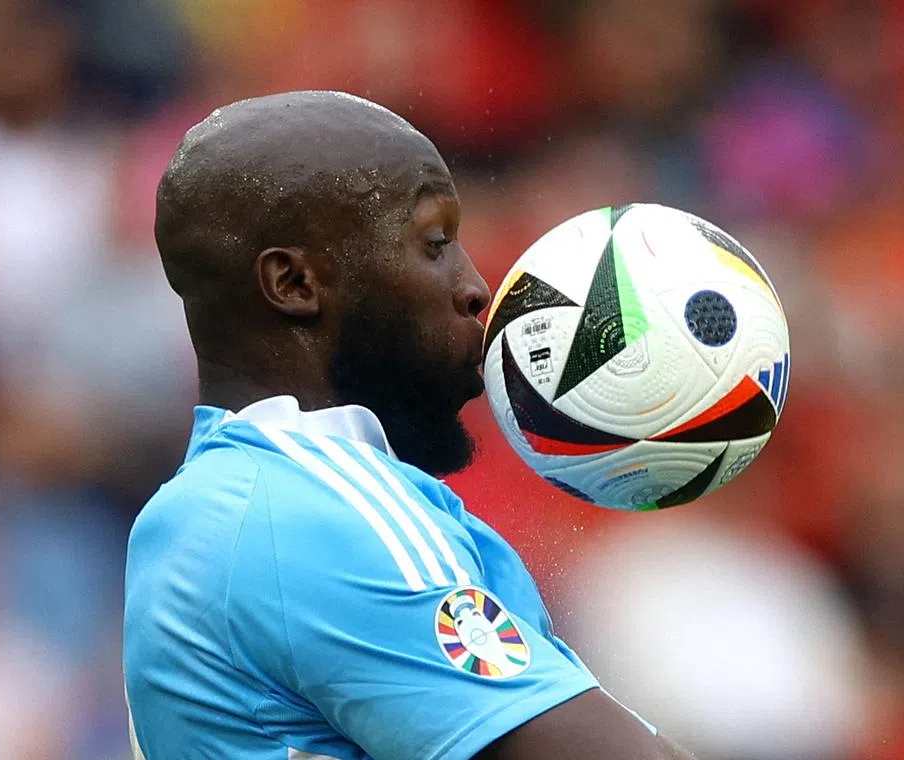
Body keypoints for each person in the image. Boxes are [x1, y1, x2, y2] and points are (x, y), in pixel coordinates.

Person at [123, 90, 696, 760]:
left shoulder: (226, 505)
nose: (477, 286)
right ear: (296, 283)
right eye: (434, 243)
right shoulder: (311, 514)